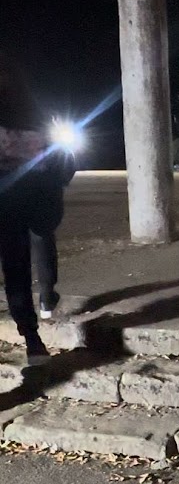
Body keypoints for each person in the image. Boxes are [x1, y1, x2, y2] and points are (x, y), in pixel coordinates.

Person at [0, 54, 50, 362]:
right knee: (17, 271)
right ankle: (32, 338)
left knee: (17, 271)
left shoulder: (25, 113)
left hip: (14, 206)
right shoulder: (28, 112)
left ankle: (31, 336)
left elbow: (42, 160)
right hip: (16, 204)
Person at [30, 143, 76, 319]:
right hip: (44, 196)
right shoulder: (47, 139)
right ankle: (46, 299)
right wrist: (59, 182)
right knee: (42, 241)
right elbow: (67, 163)